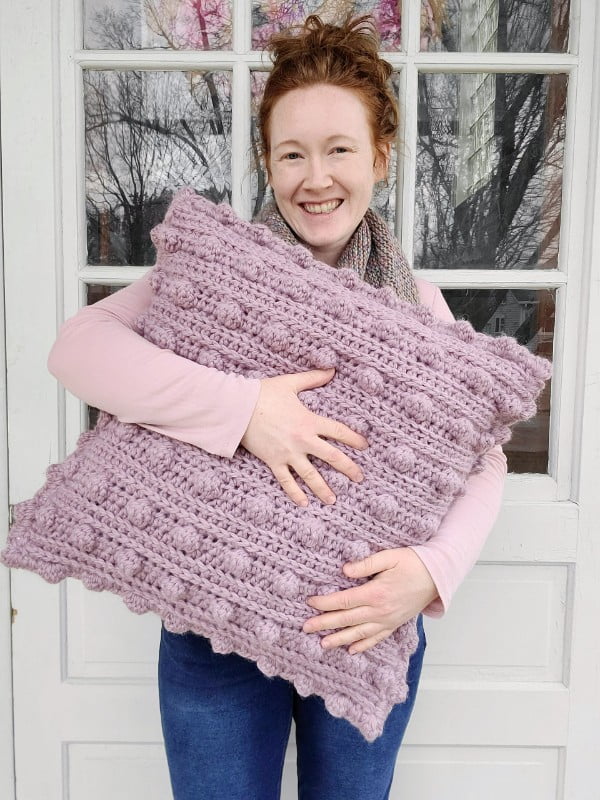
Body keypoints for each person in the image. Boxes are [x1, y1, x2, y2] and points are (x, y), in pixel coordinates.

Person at [47, 14, 507, 800]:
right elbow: (78, 348)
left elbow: (484, 455)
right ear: (267, 160)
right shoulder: (211, 282)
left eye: (339, 150)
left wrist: (431, 572)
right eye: (292, 153)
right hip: (213, 627)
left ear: (381, 159)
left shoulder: (416, 307)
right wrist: (243, 409)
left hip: (359, 622)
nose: (314, 177)